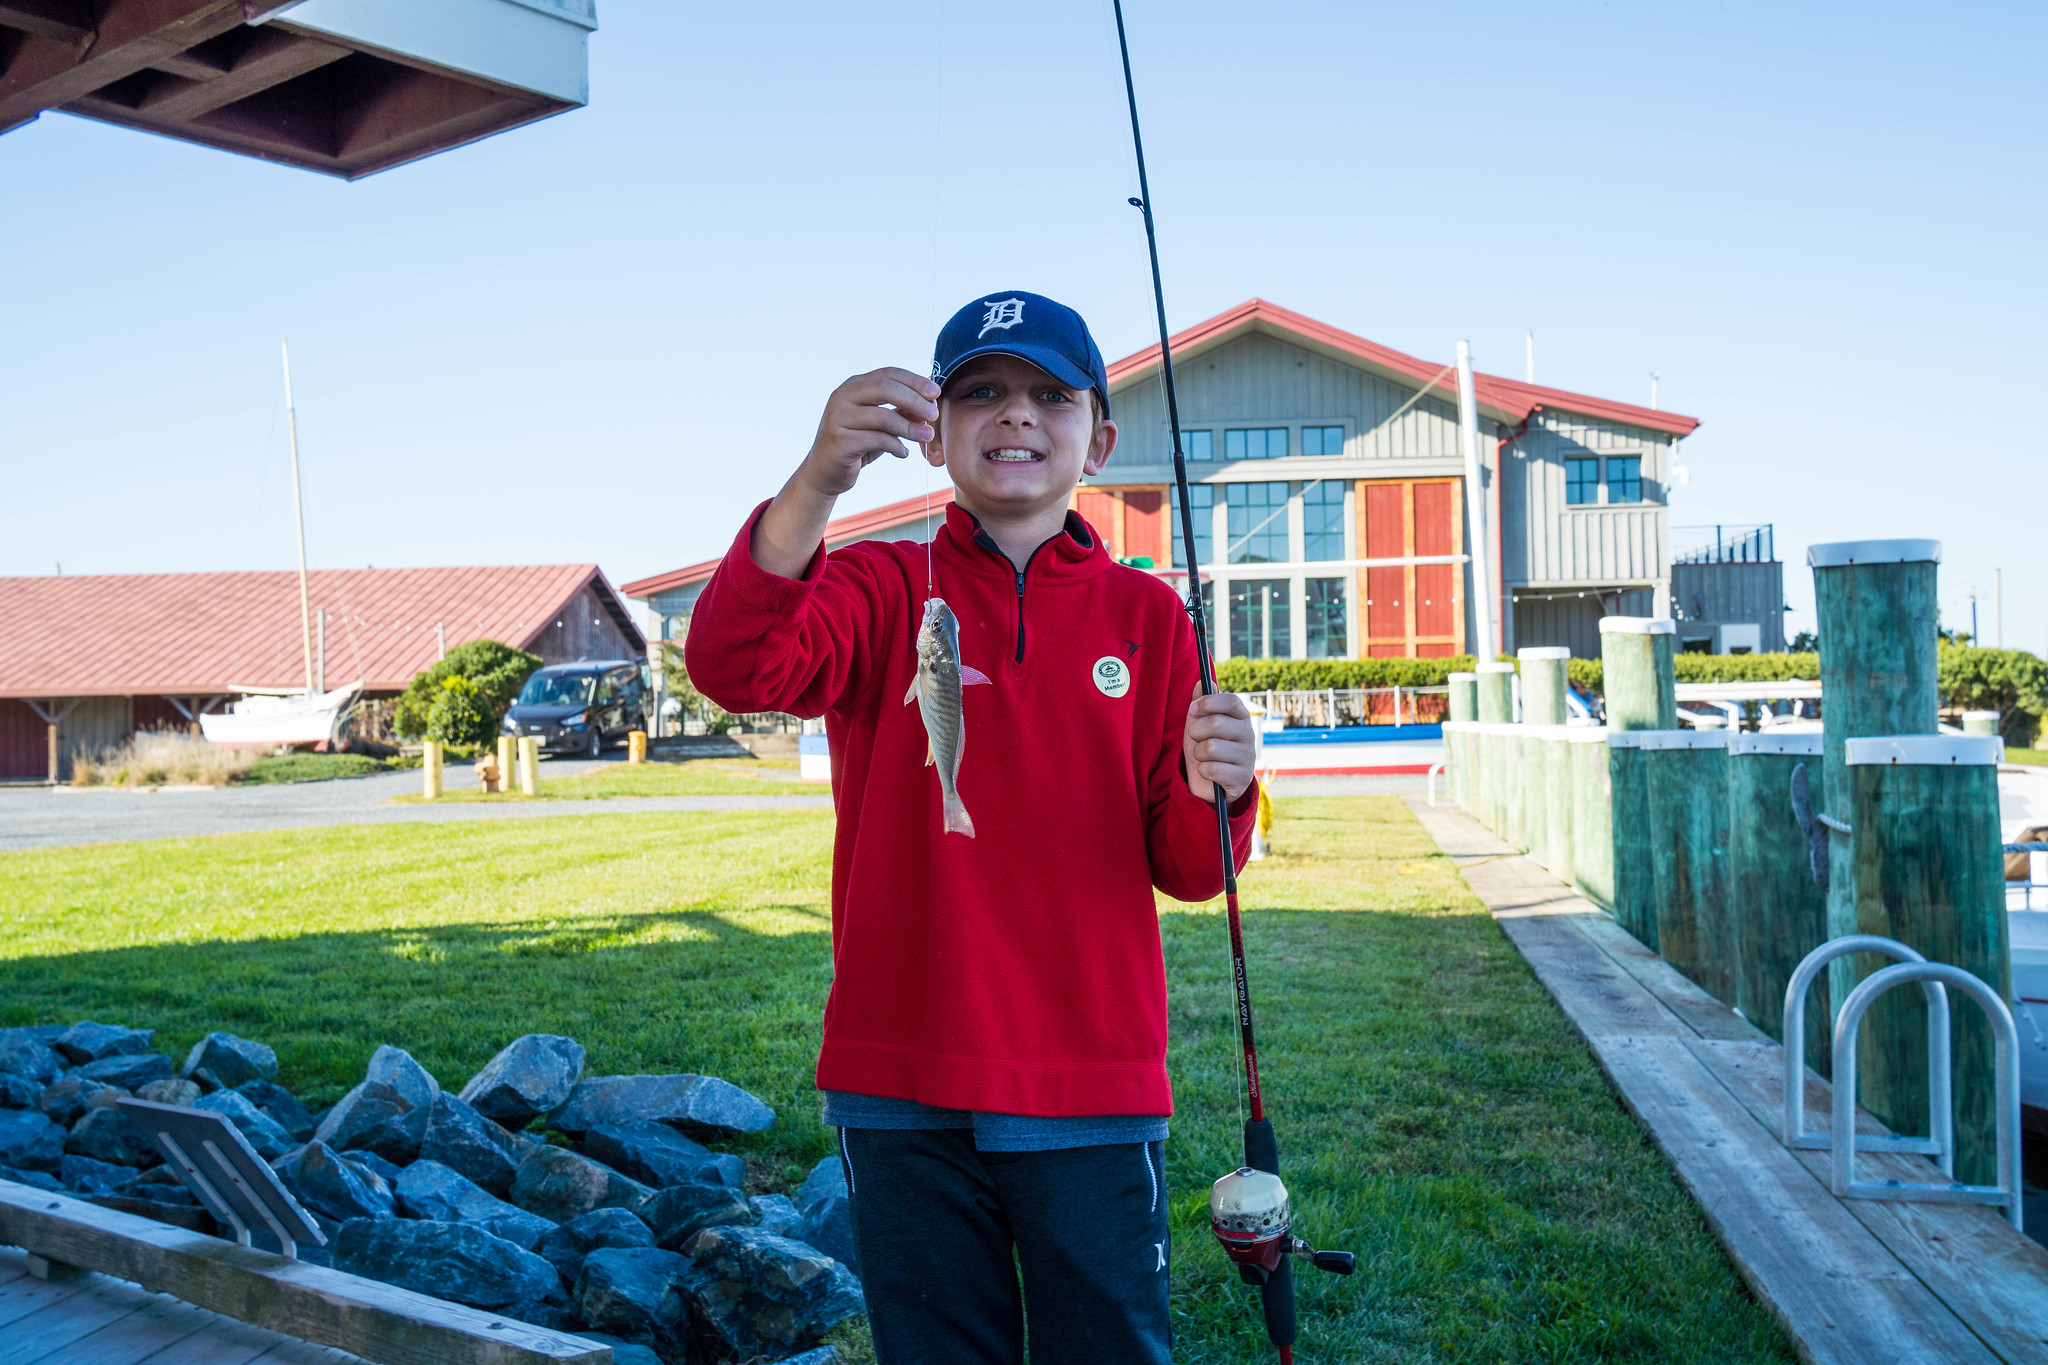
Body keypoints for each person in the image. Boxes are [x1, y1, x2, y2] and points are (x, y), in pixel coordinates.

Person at [685, 291, 1259, 1365]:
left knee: (1109, 1348)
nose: (1017, 417)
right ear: (934, 429)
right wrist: (817, 478)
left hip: (1088, 1079)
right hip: (899, 1080)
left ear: (1101, 436)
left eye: (1050, 394)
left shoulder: (1150, 619)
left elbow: (1188, 868)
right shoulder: (877, 583)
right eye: (981, 393)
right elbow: (734, 664)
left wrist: (1218, 784)